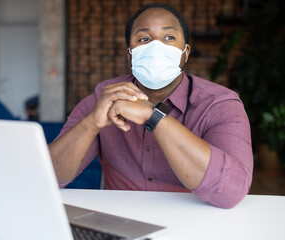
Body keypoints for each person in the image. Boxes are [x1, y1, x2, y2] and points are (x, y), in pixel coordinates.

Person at [48, 3, 253, 209]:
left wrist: (152, 116)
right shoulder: (104, 98)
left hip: (196, 223)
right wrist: (92, 123)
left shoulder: (220, 104)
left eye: (169, 38)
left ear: (185, 52)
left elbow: (231, 192)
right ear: (130, 54)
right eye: (144, 39)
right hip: (121, 224)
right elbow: (49, 177)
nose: (156, 47)